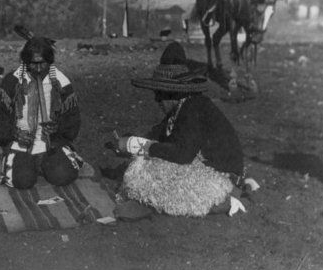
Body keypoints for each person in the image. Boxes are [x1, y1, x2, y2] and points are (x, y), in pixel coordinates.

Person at [105, 42, 258, 218]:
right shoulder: (183, 107)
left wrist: (136, 145)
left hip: (221, 178)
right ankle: (149, 204)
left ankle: (226, 202)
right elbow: (160, 134)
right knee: (145, 168)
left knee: (145, 177)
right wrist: (128, 141)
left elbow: (182, 154)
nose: (157, 100)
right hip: (204, 168)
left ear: (171, 93)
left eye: (159, 94)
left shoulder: (193, 109)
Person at [0, 35, 83, 189]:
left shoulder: (61, 82)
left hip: (50, 145)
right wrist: (14, 133)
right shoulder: (12, 81)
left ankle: (45, 163)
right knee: (23, 181)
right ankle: (16, 161)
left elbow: (73, 119)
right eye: (33, 64)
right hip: (19, 144)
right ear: (26, 62)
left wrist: (57, 129)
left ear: (50, 61)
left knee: (64, 176)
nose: (38, 69)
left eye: (43, 64)